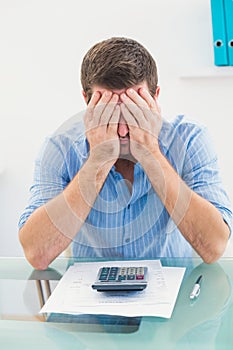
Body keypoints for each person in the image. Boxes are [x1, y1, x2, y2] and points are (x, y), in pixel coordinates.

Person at [18, 37, 232, 270]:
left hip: (174, 300)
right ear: (86, 102)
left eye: (133, 112)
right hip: (87, 300)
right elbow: (37, 254)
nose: (121, 129)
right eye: (108, 113)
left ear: (155, 97)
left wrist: (150, 153)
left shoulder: (190, 139)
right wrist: (98, 160)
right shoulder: (60, 147)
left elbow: (213, 247)